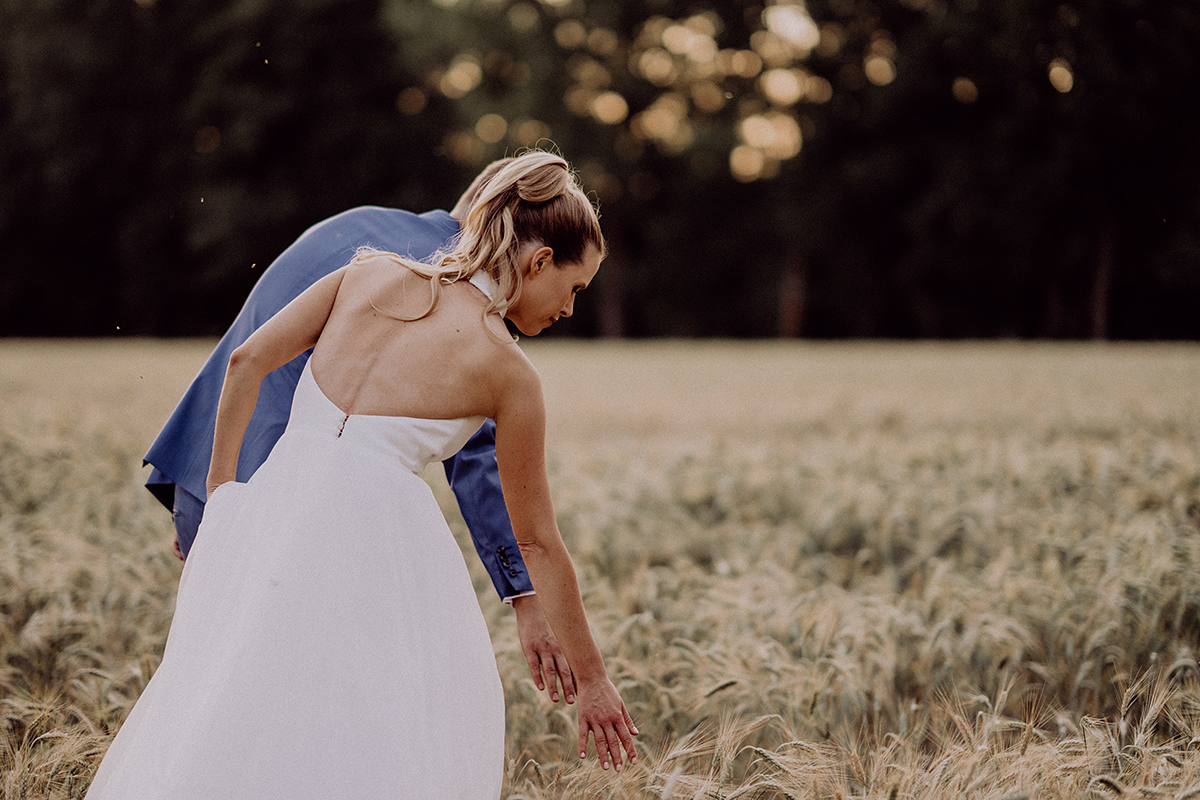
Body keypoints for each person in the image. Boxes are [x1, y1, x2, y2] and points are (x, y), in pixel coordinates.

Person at [86, 151, 637, 798]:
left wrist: (226, 500)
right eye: (574, 290)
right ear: (538, 261)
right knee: (381, 725)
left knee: (242, 695)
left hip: (276, 505)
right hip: (378, 544)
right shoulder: (510, 373)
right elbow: (540, 543)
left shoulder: (369, 271)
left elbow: (244, 363)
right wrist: (593, 680)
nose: (571, 310)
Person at [143, 159, 574, 703]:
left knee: (212, 688)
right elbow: (474, 456)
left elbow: (248, 347)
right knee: (311, 701)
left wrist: (210, 497)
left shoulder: (361, 225)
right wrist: (526, 599)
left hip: (205, 474)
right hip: (297, 508)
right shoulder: (437, 279)